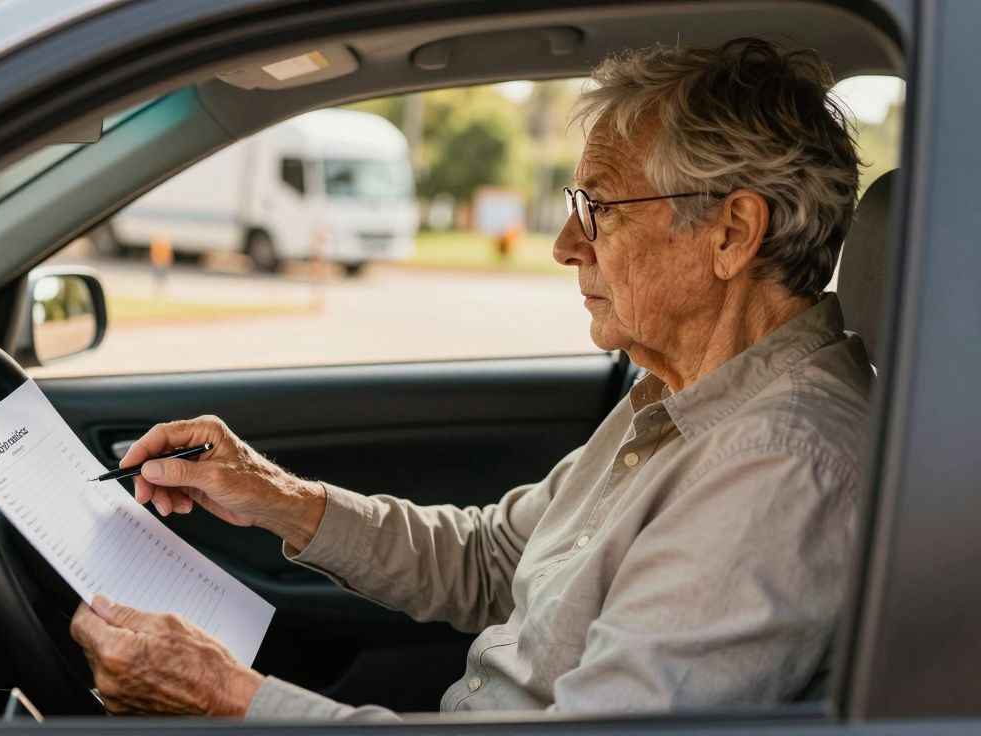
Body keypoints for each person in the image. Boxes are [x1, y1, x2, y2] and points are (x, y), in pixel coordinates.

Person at [69, 37, 873, 720]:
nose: (564, 243)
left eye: (600, 207)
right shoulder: (681, 396)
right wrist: (274, 493)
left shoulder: (780, 463)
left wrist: (232, 699)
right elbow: (493, 559)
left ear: (731, 233)